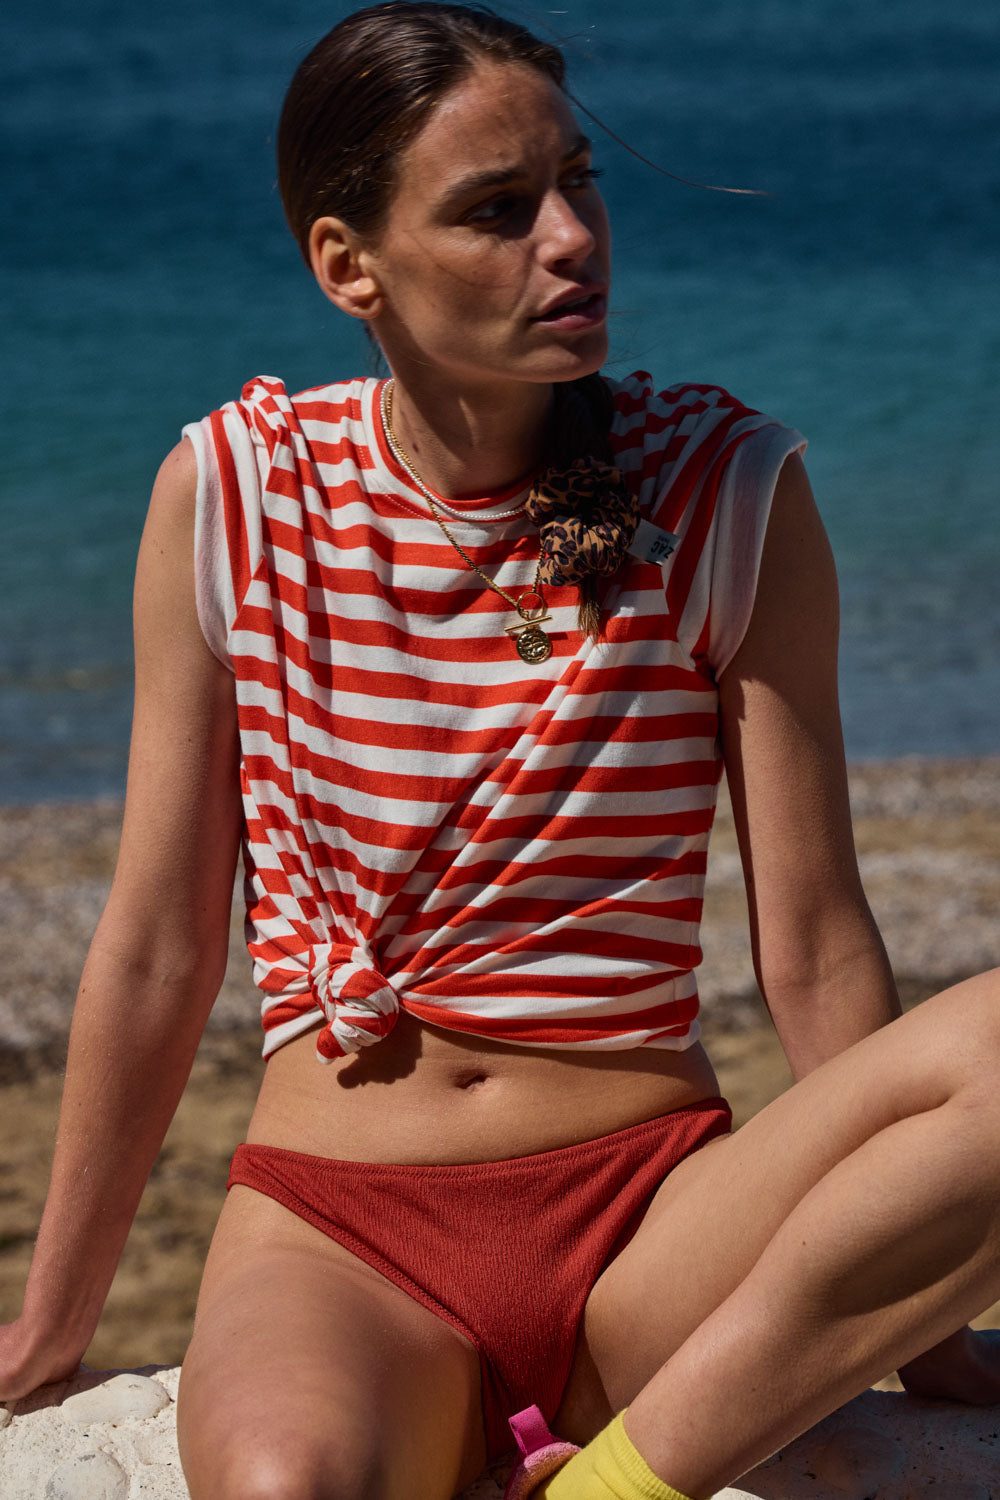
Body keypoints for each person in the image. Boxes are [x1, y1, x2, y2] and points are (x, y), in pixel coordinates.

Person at [3, 4, 999, 1498]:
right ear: (348, 264)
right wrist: (51, 1324)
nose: (573, 239)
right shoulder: (238, 492)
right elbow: (156, 943)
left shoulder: (725, 490)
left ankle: (617, 1483)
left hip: (653, 1226)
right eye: (497, 209)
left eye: (578, 183)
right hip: (343, 1236)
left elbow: (811, 938)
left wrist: (929, 1332)